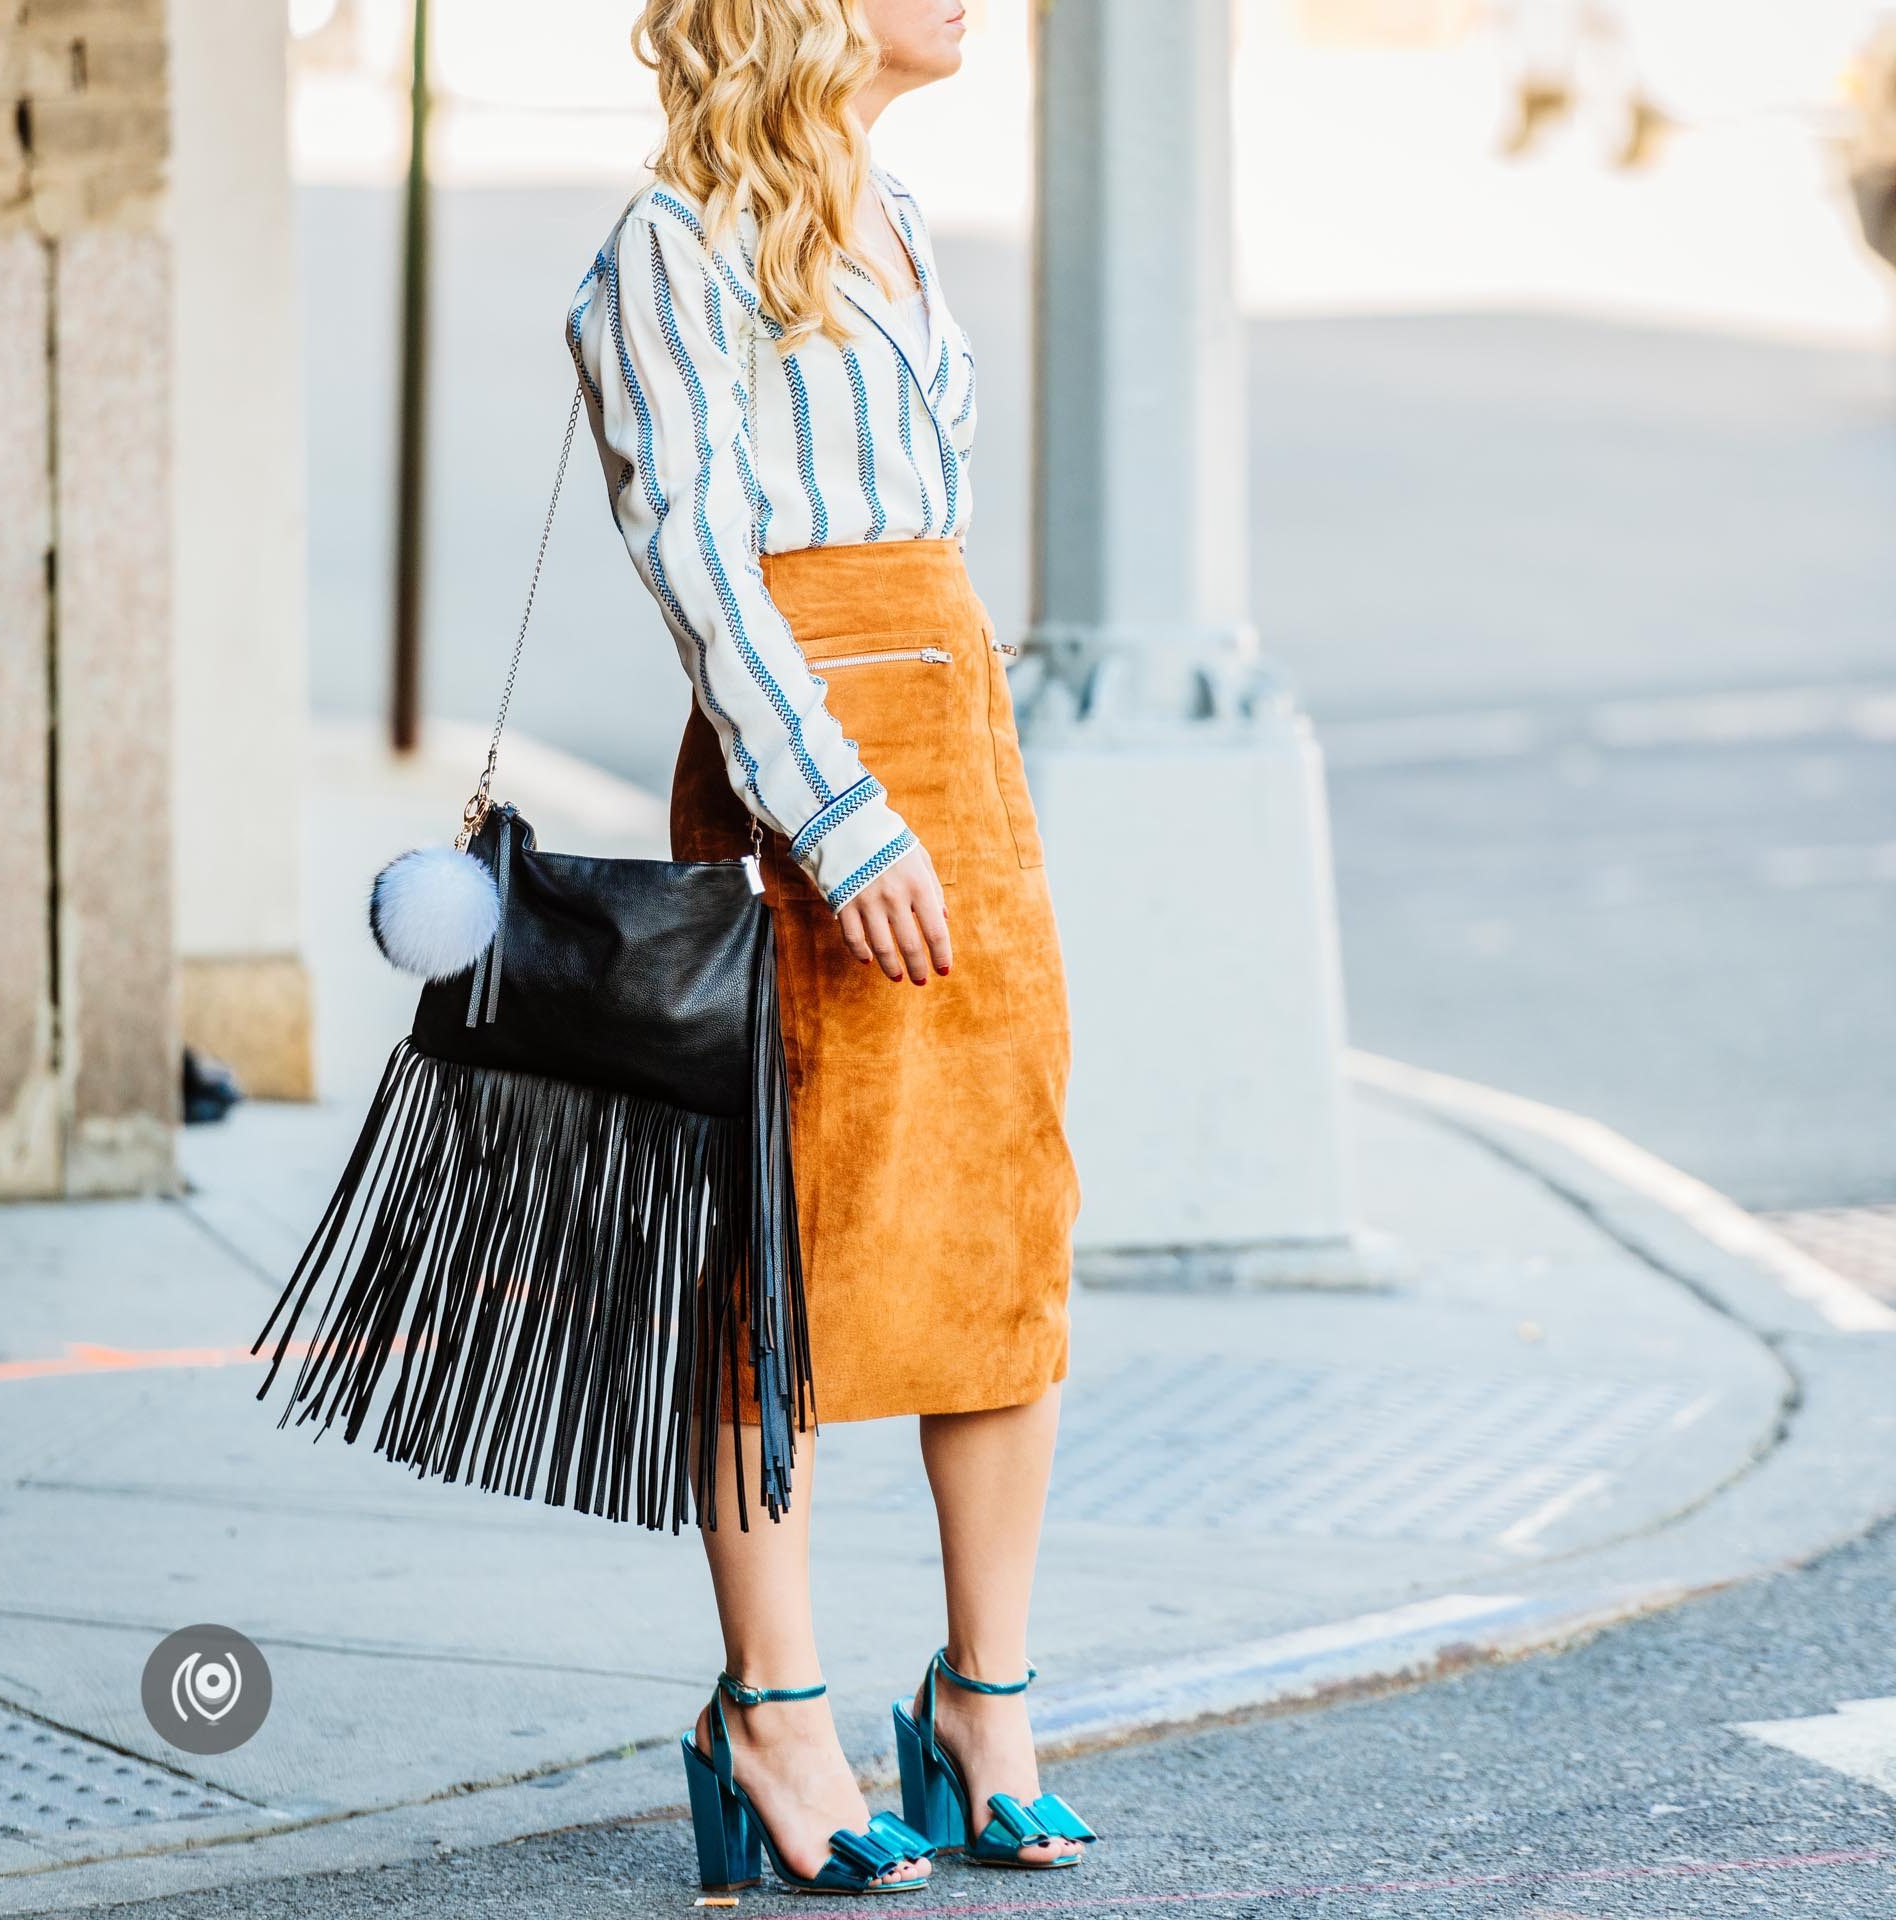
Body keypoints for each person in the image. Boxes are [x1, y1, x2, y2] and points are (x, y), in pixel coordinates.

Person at [566, 0, 1092, 1896]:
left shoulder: (902, 210)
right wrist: (841, 811)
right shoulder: (669, 243)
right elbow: (702, 558)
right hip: (817, 795)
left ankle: (985, 1702)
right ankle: (772, 1714)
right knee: (784, 1247)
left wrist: (954, 748)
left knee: (1005, 1219)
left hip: (965, 755)